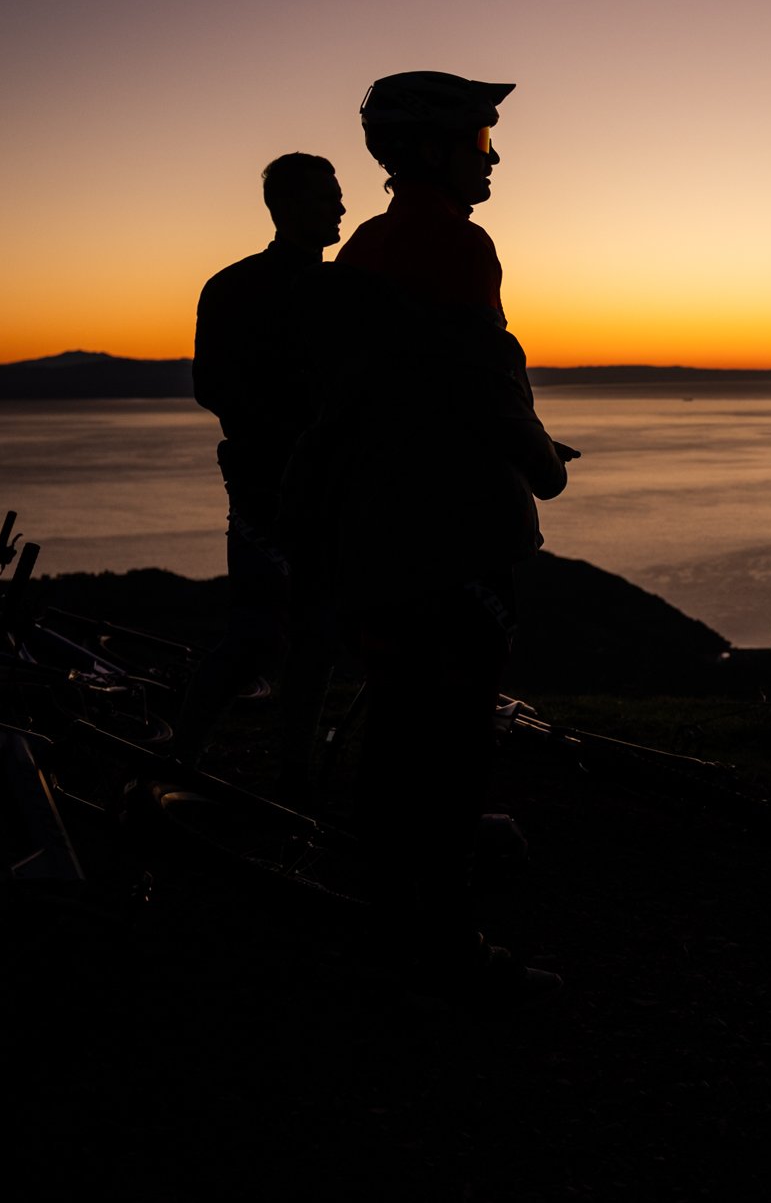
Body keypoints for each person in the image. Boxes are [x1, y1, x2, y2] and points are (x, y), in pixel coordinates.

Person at [328, 71, 572, 1000]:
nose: (493, 157)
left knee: (396, 729)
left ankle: (390, 925)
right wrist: (541, 463)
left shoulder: (366, 245)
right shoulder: (456, 243)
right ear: (431, 150)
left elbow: (397, 388)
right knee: (456, 738)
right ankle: (450, 946)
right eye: (480, 141)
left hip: (377, 528)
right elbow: (481, 376)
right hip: (453, 532)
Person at [175, 152, 345, 787]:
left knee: (316, 634)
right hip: (266, 488)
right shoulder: (237, 287)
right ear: (287, 207)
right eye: (327, 196)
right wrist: (295, 432)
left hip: (320, 485)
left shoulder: (342, 289)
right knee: (259, 635)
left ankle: (291, 772)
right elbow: (212, 387)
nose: (341, 207)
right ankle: (179, 761)